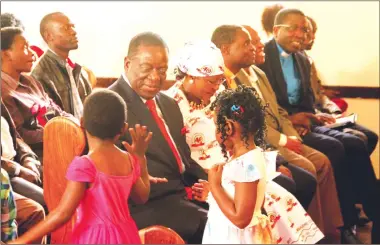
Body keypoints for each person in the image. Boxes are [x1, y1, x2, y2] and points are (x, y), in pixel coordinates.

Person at [167, 41, 323, 244]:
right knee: (284, 187)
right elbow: (181, 157)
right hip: (212, 171)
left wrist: (275, 160)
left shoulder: (219, 96)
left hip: (238, 161)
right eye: (211, 82)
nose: (216, 87)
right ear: (192, 76)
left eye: (219, 81)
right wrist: (215, 184)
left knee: (301, 179)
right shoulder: (171, 104)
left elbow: (245, 127)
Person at [212, 24, 342, 243]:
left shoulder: (254, 74)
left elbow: (276, 112)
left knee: (320, 162)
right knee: (304, 173)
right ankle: (302, 235)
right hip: (254, 150)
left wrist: (291, 137)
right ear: (225, 50)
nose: (255, 47)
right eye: (247, 44)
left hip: (258, 148)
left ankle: (324, 232)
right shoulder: (223, 85)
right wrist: (280, 151)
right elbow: (248, 127)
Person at [259, 8, 380, 243]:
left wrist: (311, 118)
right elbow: (269, 106)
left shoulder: (303, 59)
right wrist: (293, 123)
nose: (300, 34)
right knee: (336, 148)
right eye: (293, 27)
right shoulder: (262, 56)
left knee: (357, 142)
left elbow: (307, 100)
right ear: (276, 30)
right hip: (283, 127)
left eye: (304, 29)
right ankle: (344, 223)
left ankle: (372, 214)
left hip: (305, 122)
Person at [9, 89, 154, 244]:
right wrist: (140, 157)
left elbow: (63, 213)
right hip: (127, 235)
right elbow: (142, 197)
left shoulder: (85, 165)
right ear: (123, 128)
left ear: (82, 122)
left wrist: (21, 241)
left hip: (94, 238)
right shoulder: (130, 160)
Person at [109, 32, 208, 243]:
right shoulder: (111, 105)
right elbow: (113, 175)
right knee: (214, 225)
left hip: (182, 195)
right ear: (127, 64)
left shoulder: (169, 104)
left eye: (162, 70)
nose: (155, 77)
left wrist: (212, 185)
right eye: (146, 68)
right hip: (145, 204)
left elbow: (185, 160)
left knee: (245, 209)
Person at [203, 85, 270, 243]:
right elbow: (244, 200)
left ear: (228, 127)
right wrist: (211, 193)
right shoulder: (246, 158)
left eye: (216, 124)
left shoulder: (246, 164)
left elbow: (241, 219)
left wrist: (216, 186)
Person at [303, 16, 378, 156]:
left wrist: (335, 111)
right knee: (357, 139)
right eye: (308, 32)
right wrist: (320, 116)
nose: (312, 37)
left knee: (371, 136)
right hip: (314, 118)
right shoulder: (287, 64)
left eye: (314, 32)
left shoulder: (309, 61)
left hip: (325, 114)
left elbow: (320, 94)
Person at [1, 27, 73, 161]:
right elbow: (19, 135)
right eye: (25, 47)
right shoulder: (3, 92)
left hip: (61, 144)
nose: (33, 53)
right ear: (5, 54)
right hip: (37, 157)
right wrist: (58, 132)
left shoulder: (30, 81)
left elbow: (56, 110)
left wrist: (74, 124)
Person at [31, 12, 92, 119]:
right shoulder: (39, 74)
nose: (74, 32)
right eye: (66, 28)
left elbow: (92, 108)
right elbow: (49, 120)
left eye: (72, 27)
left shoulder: (78, 70)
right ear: (49, 36)